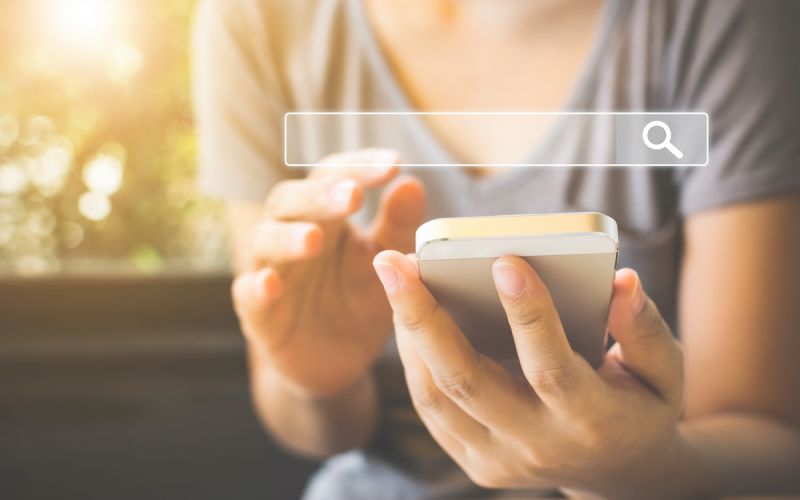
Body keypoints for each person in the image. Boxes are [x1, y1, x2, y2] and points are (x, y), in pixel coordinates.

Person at [192, 0, 800, 497]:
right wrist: (317, 382)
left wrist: (643, 472)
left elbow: (768, 440)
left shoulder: (728, 17)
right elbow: (307, 426)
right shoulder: (257, 19)